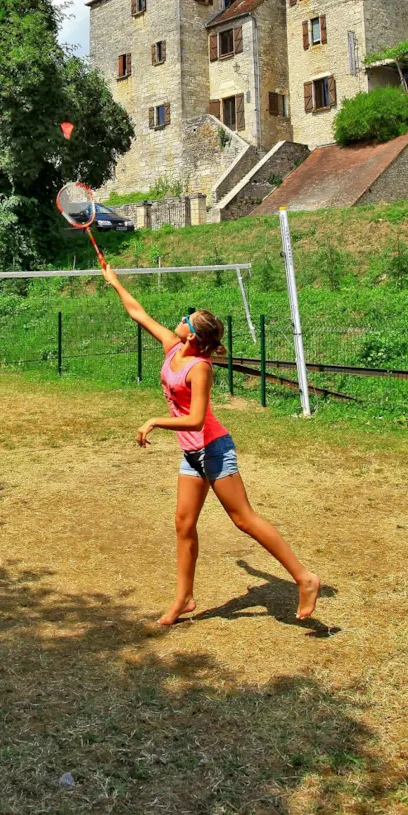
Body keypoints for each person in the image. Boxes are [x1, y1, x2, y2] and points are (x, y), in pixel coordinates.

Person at [101, 263, 320, 626]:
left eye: (185, 319)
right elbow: (138, 313)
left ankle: (304, 577)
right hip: (192, 453)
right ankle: (184, 597)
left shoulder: (200, 368)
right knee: (183, 524)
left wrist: (155, 420)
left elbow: (197, 420)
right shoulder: (173, 348)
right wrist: (115, 283)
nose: (180, 320)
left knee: (243, 519)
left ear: (192, 335)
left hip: (214, 448)